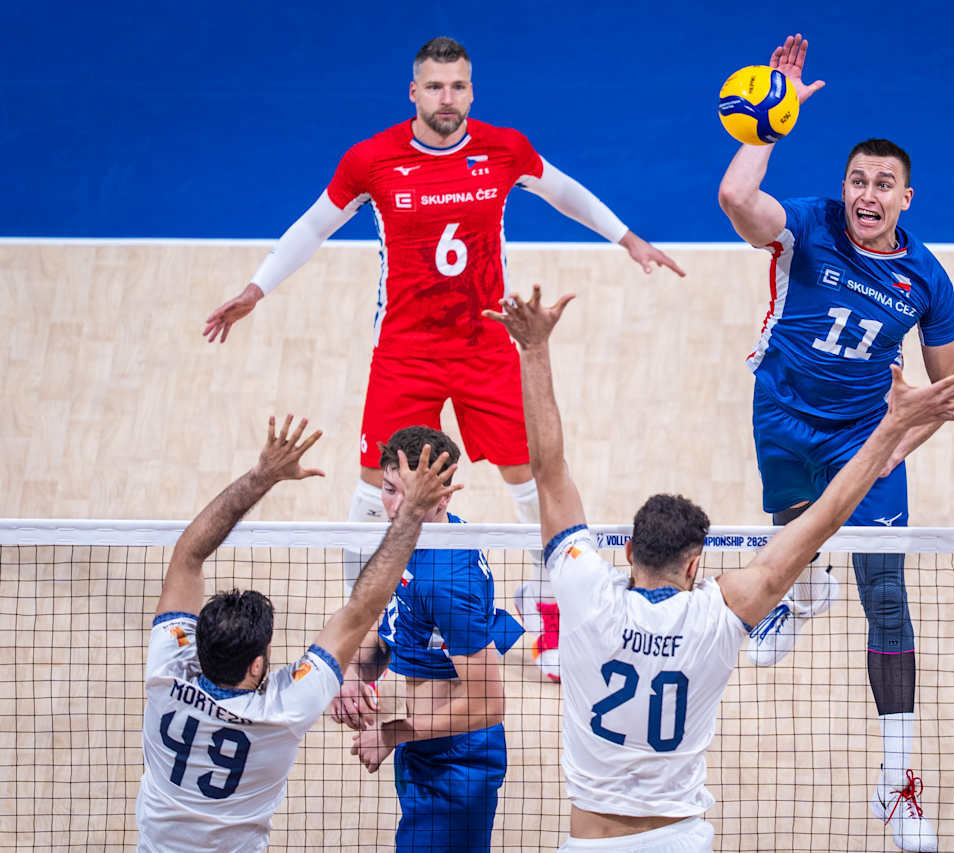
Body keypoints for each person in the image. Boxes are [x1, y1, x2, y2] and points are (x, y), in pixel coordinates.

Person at [202, 36, 685, 682]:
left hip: (486, 344)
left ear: (472, 91)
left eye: (458, 86)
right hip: (406, 350)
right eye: (434, 86)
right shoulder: (372, 160)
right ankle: (361, 622)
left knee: (533, 479)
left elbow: (563, 190)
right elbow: (313, 225)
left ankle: (555, 613)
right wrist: (255, 288)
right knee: (375, 491)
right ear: (413, 92)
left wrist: (628, 238)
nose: (447, 98)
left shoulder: (502, 148)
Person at [483, 286, 954, 853]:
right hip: (680, 841)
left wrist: (534, 349)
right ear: (695, 563)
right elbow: (823, 520)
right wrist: (887, 432)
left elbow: (548, 472)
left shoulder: (583, 591)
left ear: (626, 552)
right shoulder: (716, 617)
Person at [716, 33, 954, 852]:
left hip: (864, 438)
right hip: (782, 413)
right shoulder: (808, 228)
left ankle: (896, 787)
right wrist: (769, 122)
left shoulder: (926, 279)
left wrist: (900, 445)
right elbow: (733, 198)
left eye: (883, 185)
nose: (866, 193)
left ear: (906, 198)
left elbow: (944, 389)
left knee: (886, 595)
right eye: (858, 179)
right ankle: (798, 589)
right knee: (791, 530)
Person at [136, 415, 460, 852]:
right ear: (256, 665)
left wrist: (260, 475)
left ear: (196, 645)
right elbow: (362, 607)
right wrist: (413, 515)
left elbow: (186, 555)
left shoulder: (165, 672)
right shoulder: (283, 709)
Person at [328, 425, 523, 853]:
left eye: (411, 494)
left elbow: (488, 705)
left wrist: (392, 734)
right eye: (389, 489)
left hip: (456, 764)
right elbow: (396, 626)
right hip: (424, 746)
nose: (397, 506)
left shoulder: (447, 580)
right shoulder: (417, 537)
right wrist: (353, 672)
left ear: (445, 495)